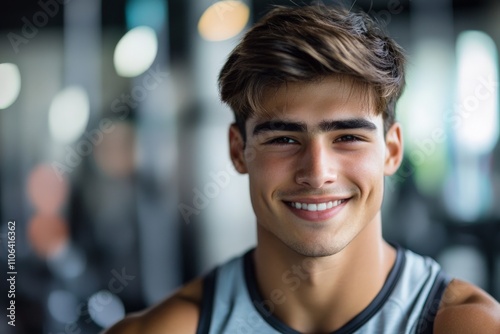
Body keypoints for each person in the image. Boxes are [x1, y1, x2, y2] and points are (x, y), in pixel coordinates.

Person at [104, 4, 500, 334]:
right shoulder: (169, 328)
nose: (317, 172)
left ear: (391, 151)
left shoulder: (463, 324)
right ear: (238, 151)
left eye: (347, 137)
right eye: (283, 139)